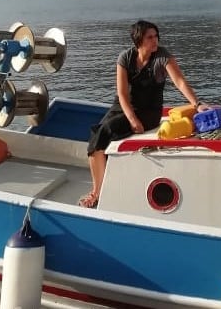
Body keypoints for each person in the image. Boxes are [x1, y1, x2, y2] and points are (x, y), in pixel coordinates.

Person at [79, 19, 209, 209]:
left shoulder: (162, 57)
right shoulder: (125, 58)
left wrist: (197, 104)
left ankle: (97, 194)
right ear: (138, 40)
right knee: (96, 135)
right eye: (150, 37)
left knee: (103, 132)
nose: (155, 40)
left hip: (148, 112)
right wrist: (131, 119)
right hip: (124, 106)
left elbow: (180, 82)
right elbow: (122, 94)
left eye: (156, 36)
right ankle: (98, 188)